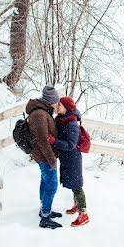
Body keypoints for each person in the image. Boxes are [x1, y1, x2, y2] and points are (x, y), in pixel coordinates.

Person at [49, 96, 89, 227]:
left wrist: (54, 142)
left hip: (73, 158)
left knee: (77, 186)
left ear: (66, 107)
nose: (57, 106)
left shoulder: (72, 124)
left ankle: (84, 214)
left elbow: (71, 144)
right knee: (73, 184)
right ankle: (77, 205)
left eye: (60, 104)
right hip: (67, 158)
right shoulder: (62, 120)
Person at [27, 85, 63, 229]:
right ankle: (45, 217)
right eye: (56, 101)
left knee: (45, 181)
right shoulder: (40, 114)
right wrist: (52, 159)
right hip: (45, 157)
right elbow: (42, 140)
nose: (57, 104)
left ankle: (44, 210)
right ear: (50, 101)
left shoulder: (43, 112)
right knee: (51, 186)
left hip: (43, 156)